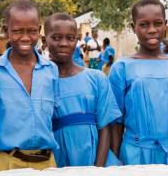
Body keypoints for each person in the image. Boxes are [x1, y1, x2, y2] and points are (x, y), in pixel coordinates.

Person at [109, 0, 168, 165]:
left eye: (157, 23)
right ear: (133, 27)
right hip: (134, 156)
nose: (152, 30)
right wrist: (115, 165)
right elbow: (116, 125)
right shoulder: (122, 68)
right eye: (144, 25)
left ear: (165, 24)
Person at [0, 0, 58, 171]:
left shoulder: (51, 70)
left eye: (31, 31)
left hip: (47, 163)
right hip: (8, 161)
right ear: (6, 31)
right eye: (17, 31)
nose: (25, 37)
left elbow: (53, 117)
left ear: (39, 31)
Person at [45, 13, 121, 167]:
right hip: (59, 163)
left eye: (70, 38)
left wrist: (98, 169)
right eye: (56, 37)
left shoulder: (97, 79)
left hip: (97, 161)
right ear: (45, 40)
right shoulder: (42, 82)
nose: (64, 43)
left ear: (77, 40)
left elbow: (105, 127)